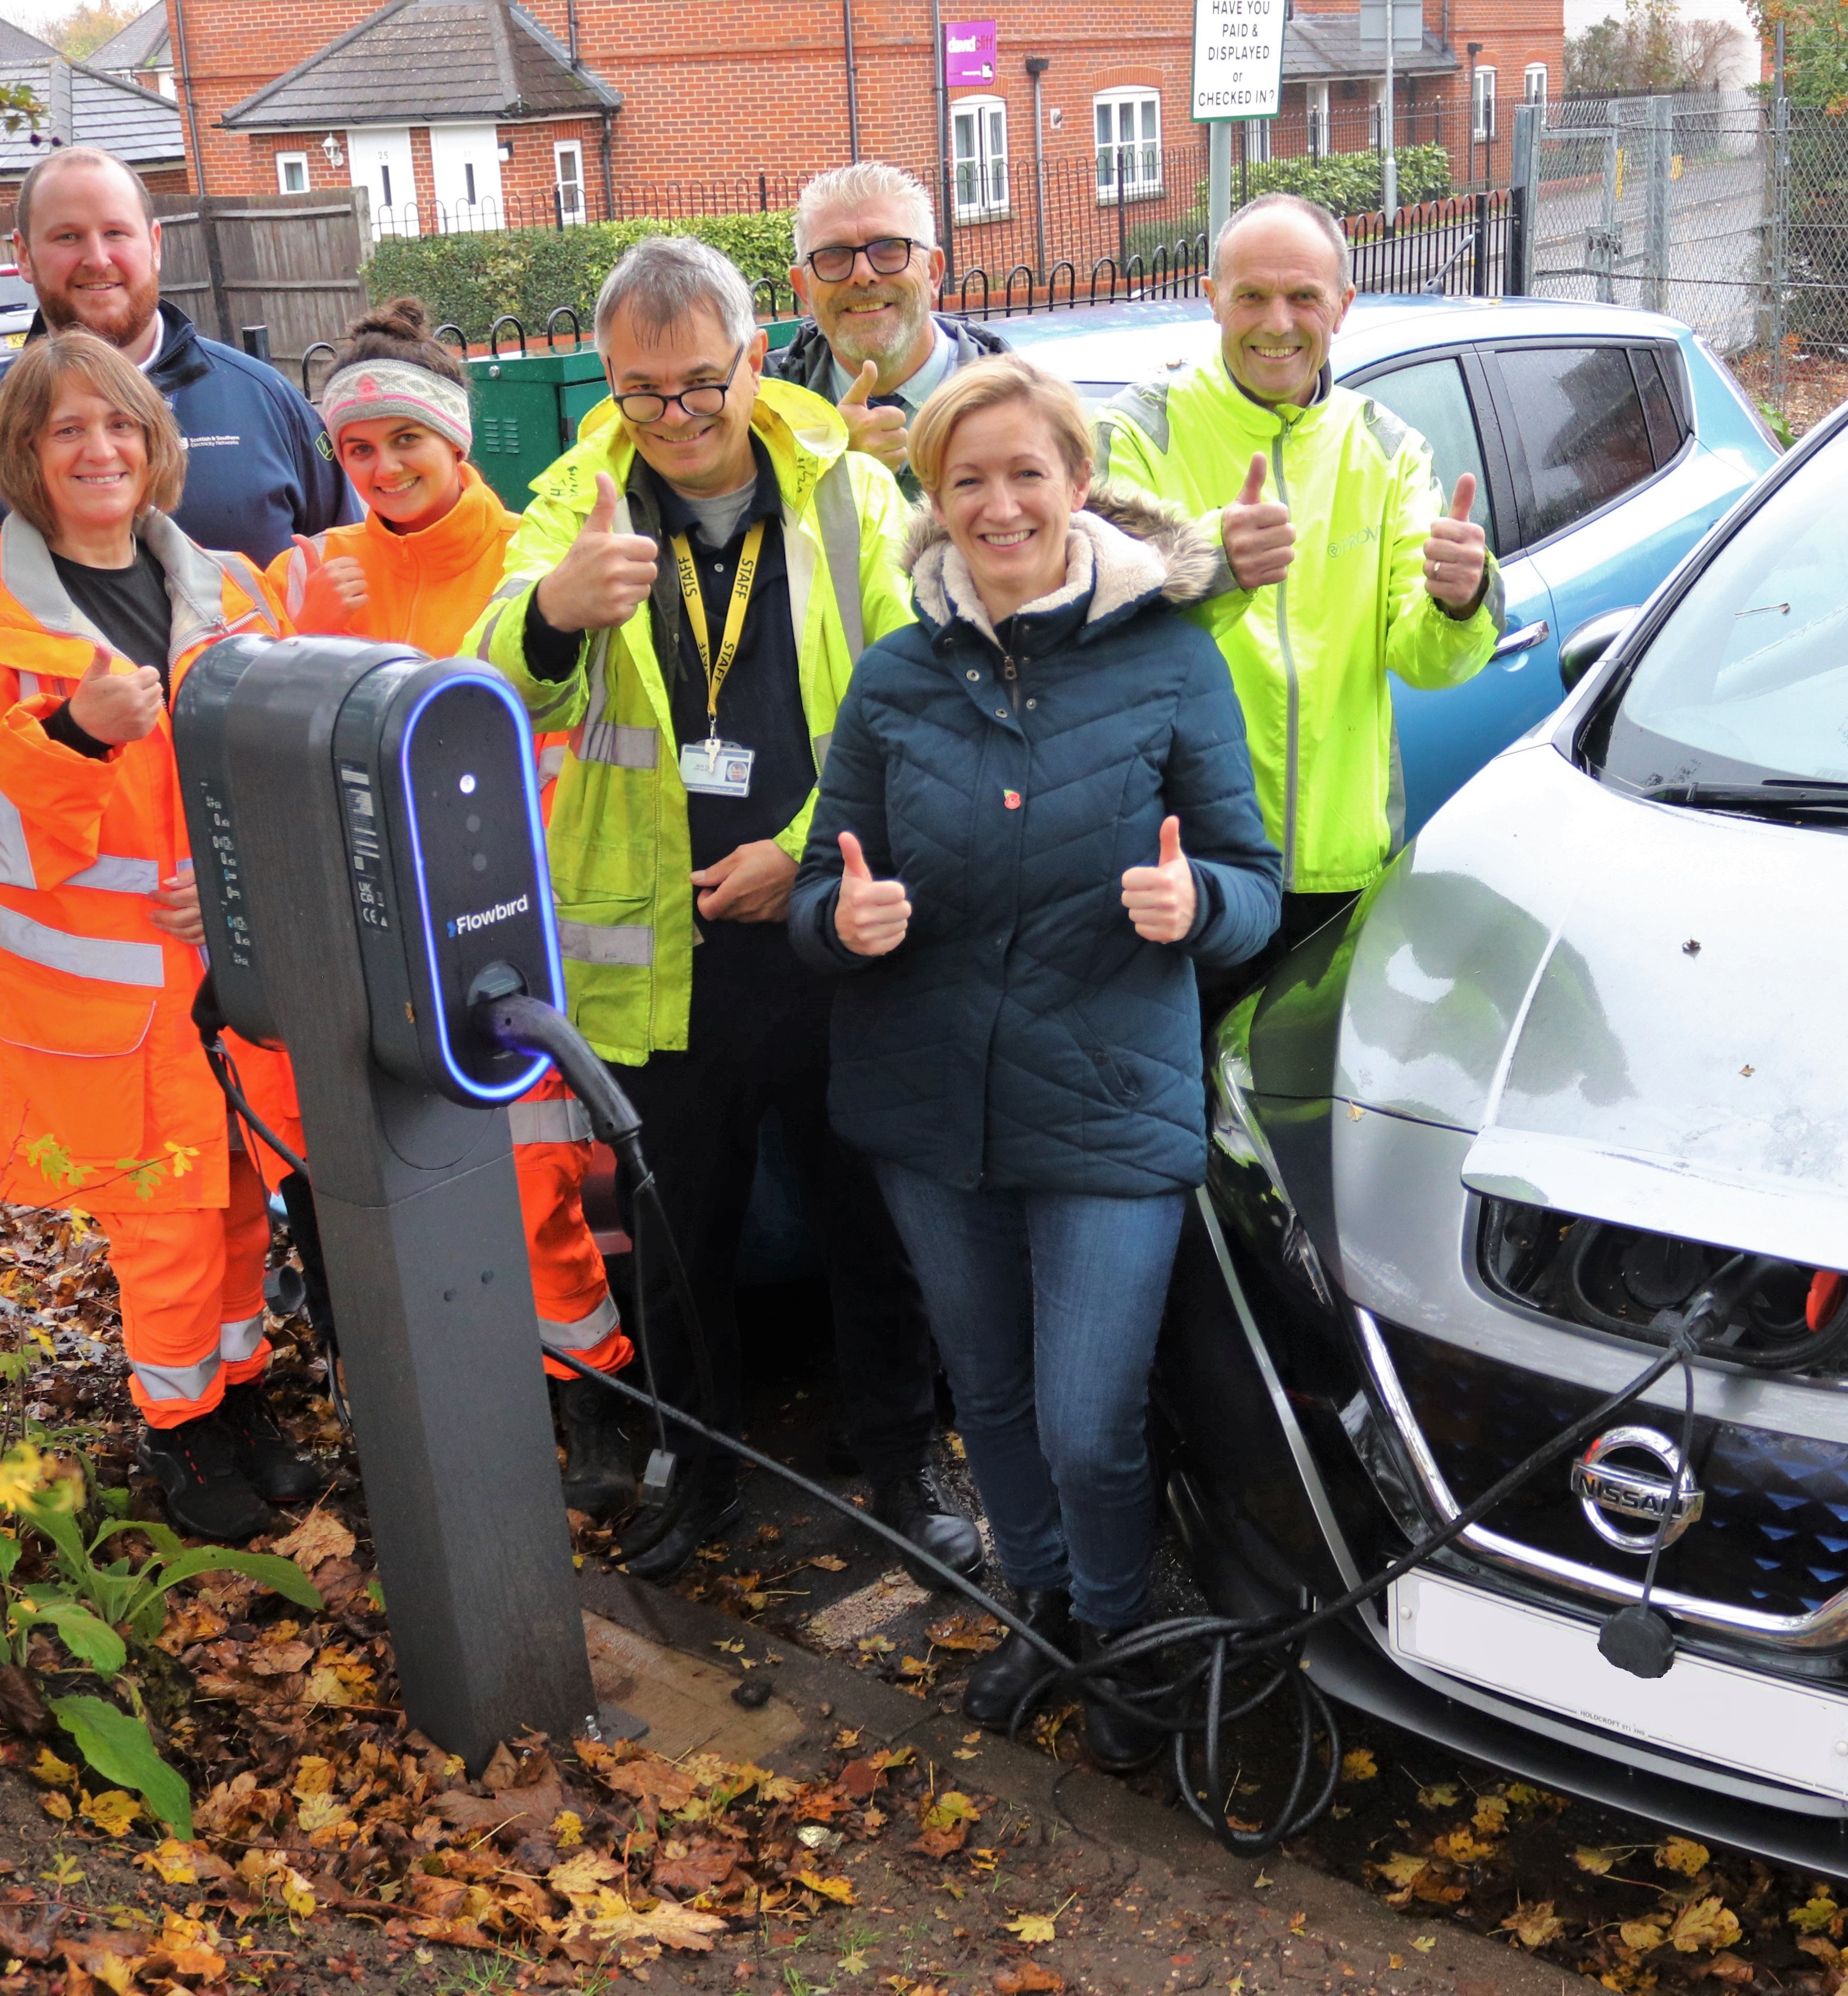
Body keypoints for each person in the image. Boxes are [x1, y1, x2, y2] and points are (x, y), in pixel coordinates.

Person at [788, 356, 1281, 1771]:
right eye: (967, 480)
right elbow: (827, 890)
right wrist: (845, 919)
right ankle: (1042, 1611)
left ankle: (1120, 1633)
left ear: (1076, 481)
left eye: (1026, 474)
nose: (999, 505)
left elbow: (1253, 874)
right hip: (928, 1102)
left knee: (1086, 1417)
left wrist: (1201, 911)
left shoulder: (1171, 656)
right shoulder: (896, 677)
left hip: (1113, 1090)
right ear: (933, 502)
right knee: (988, 1393)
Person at [465, 235, 980, 1582]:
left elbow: (910, 713)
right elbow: (497, 685)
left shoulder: (853, 495)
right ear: (612, 389)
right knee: (675, 1236)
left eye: (702, 385)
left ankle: (902, 1461)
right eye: (645, 394)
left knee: (871, 1223)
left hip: (821, 941)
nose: (678, 420)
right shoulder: (579, 496)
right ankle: (695, 1468)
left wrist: (800, 859)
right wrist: (557, 617)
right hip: (656, 950)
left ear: (755, 362)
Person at [0, 332, 301, 1544]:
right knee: (163, 1232)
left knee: (237, 1205)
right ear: (27, 453)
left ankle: (243, 1404)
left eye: (118, 424)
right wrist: (67, 734)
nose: (99, 448)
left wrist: (242, 896)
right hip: (99, 1015)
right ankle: (178, 1435)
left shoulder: (234, 587)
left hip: (229, 982)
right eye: (67, 429)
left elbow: (289, 775)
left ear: (155, 442)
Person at [256, 298, 643, 1510]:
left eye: (406, 443)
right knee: (406, 1188)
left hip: (502, 935)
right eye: (358, 451)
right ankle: (465, 1408)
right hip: (373, 943)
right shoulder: (312, 574)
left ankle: (598, 1397)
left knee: (536, 1193)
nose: (383, 470)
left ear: (458, 439)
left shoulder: (526, 555)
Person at [1093, 192, 1498, 1004]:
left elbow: (1423, 658)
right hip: (1181, 857)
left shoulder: (1387, 448)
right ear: (1211, 296)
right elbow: (1088, 609)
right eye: (1251, 296)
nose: (1277, 322)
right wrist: (1209, 557)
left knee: (1308, 1112)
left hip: (1338, 862)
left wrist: (1461, 601)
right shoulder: (1140, 430)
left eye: (1303, 296)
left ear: (1342, 307)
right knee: (1184, 1103)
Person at [0, 145, 356, 650]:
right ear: (24, 255)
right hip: (63, 760)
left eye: (116, 233)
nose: (96, 258)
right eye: (67, 237)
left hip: (258, 751)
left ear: (154, 245)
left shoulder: (264, 401)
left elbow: (350, 576)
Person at [767, 161, 1006, 498]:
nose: (863, 274)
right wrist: (827, 464)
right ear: (804, 289)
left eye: (890, 247)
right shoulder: (759, 412)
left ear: (933, 273)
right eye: (834, 255)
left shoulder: (1020, 402)